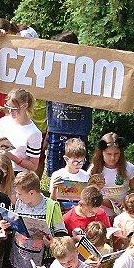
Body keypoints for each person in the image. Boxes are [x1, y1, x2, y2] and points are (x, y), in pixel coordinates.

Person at [3, 170, 67, 268]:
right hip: (19, 256)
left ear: (32, 192)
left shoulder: (51, 206)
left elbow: (61, 233)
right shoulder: (20, 202)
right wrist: (7, 225)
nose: (17, 196)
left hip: (41, 260)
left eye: (20, 194)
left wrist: (53, 242)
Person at [45, 32, 94, 176]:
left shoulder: (88, 70)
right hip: (56, 129)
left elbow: (111, 79)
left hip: (78, 131)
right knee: (55, 174)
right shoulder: (50, 69)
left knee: (78, 174)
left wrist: (132, 73)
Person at [89, 132, 134, 217]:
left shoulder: (128, 168)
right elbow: (89, 193)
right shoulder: (94, 169)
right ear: (101, 153)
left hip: (123, 211)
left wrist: (126, 200)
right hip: (101, 212)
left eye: (116, 154)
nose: (113, 158)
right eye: (108, 154)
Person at [0, 88, 42, 174]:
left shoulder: (34, 133)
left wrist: (11, 157)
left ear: (25, 106)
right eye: (8, 107)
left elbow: (33, 166)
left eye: (14, 109)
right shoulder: (3, 121)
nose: (10, 111)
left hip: (18, 174)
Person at [49, 138, 91, 210]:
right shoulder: (58, 175)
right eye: (75, 162)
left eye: (81, 161)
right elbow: (52, 202)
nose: (79, 165)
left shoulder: (86, 176)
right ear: (66, 159)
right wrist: (54, 189)